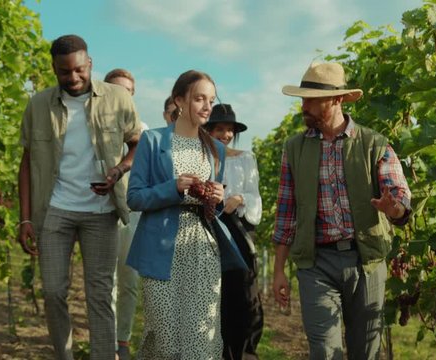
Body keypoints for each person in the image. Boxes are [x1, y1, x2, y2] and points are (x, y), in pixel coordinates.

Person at [272, 62, 411, 360]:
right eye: (302, 98)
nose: (303, 106)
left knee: (366, 352)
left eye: (311, 99)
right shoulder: (293, 149)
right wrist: (279, 271)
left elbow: (400, 197)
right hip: (316, 263)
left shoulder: (374, 144)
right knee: (324, 352)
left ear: (336, 100)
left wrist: (393, 208)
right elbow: (286, 213)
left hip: (366, 261)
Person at [18, 34, 141, 360]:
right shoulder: (39, 104)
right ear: (54, 69)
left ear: (89, 65)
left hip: (101, 213)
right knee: (53, 291)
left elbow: (137, 144)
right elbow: (27, 163)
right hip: (55, 210)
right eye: (63, 72)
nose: (72, 78)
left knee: (99, 295)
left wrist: (119, 169)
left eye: (78, 70)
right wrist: (26, 217)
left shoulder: (118, 98)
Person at [126, 70, 246, 359]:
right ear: (179, 100)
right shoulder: (153, 141)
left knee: (201, 336)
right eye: (199, 99)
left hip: (202, 249)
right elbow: (134, 197)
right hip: (161, 249)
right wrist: (173, 188)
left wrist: (217, 199)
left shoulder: (216, 148)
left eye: (211, 100)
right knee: (164, 335)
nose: (207, 106)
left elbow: (212, 209)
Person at [204, 104, 263, 360]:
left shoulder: (246, 158)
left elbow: (255, 195)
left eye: (229, 130)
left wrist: (238, 198)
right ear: (208, 130)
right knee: (215, 297)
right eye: (220, 129)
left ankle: (243, 353)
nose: (226, 135)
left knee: (243, 294)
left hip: (238, 229)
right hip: (208, 229)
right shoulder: (200, 158)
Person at [104, 68, 144, 360]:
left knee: (128, 282)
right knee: (105, 282)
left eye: (126, 91)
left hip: (132, 215)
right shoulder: (94, 128)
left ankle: (123, 341)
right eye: (115, 89)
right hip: (100, 212)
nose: (121, 96)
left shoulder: (144, 132)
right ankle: (105, 342)